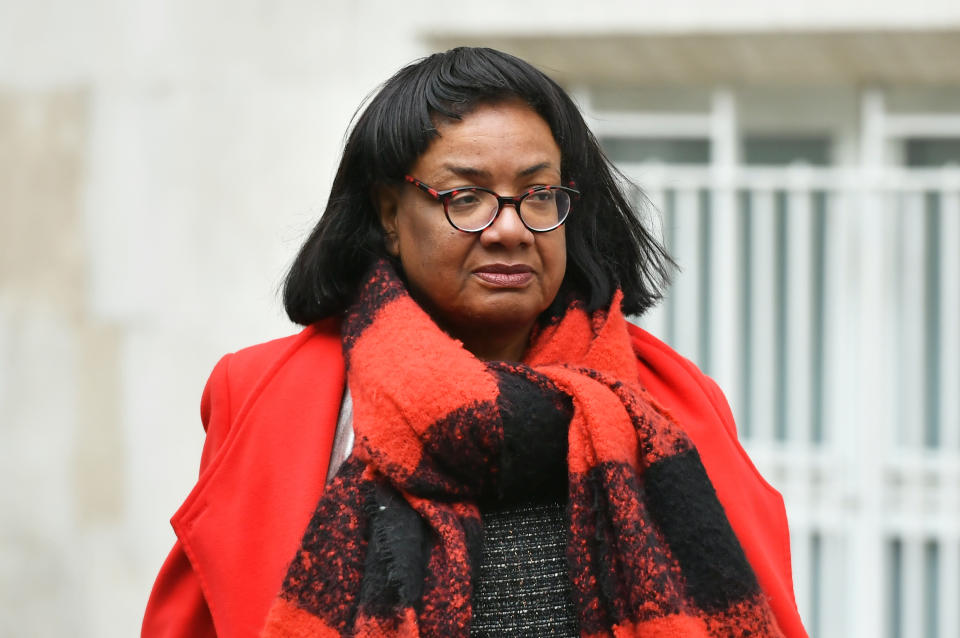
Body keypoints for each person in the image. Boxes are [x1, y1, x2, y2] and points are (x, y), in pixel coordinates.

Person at [142, 47, 807, 638]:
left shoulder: (671, 402)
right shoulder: (267, 395)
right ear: (389, 215)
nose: (510, 229)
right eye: (466, 196)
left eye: (538, 194)